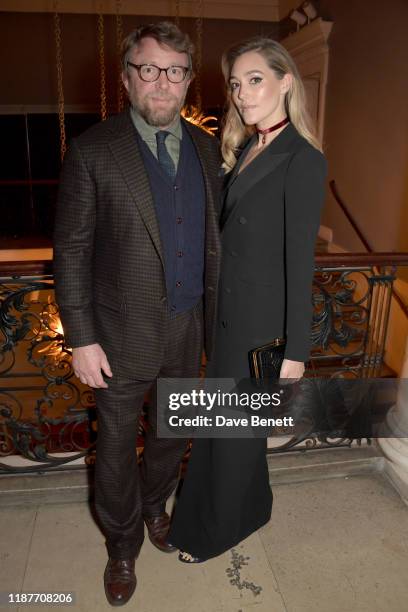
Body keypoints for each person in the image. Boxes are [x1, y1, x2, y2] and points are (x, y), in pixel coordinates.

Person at [53, 22, 221, 606]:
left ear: (186, 82)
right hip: (118, 336)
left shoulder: (207, 150)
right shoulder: (94, 150)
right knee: (118, 451)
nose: (162, 83)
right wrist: (81, 337)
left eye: (174, 71)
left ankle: (156, 507)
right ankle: (121, 544)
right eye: (148, 69)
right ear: (127, 78)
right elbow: (71, 250)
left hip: (190, 327)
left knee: (176, 435)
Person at [167, 36, 327, 562]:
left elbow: (300, 261)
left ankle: (210, 531)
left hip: (259, 325)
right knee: (227, 428)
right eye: (236, 84)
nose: (242, 93)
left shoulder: (301, 159)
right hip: (226, 316)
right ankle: (253, 505)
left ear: (285, 81)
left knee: (230, 435)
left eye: (254, 79)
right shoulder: (246, 148)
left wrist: (297, 352)